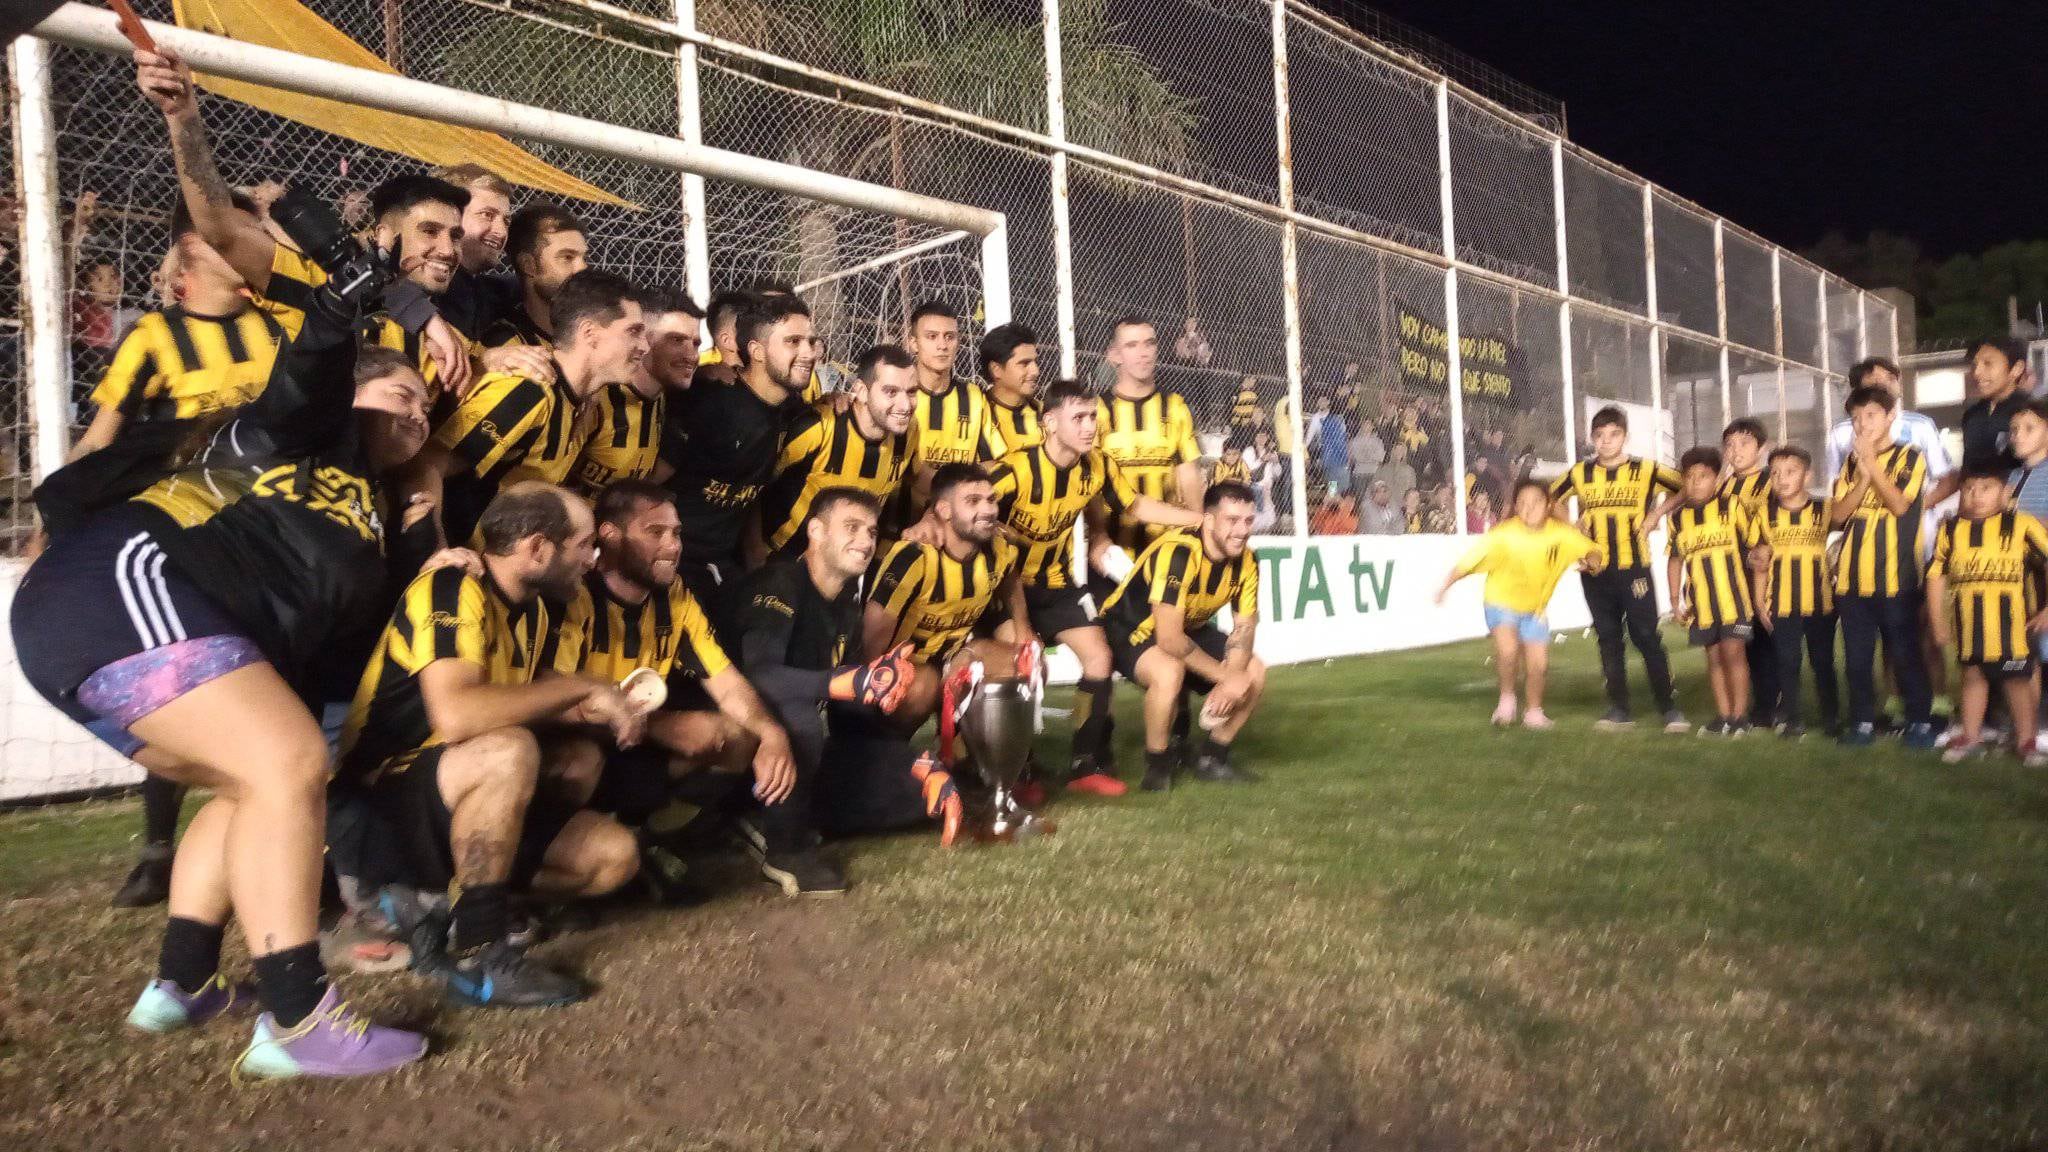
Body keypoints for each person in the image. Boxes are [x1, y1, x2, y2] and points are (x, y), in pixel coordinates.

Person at [12, 203, 437, 1077]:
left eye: (428, 407)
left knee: (255, 784)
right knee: (283, 766)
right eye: (401, 392)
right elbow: (304, 381)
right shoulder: (291, 436)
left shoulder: (378, 512)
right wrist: (333, 313)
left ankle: (183, 983)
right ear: (355, 395)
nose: (418, 413)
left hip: (153, 621)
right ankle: (296, 1022)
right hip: (124, 584)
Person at [344, 484, 644, 1008]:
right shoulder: (452, 588)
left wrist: (598, 706)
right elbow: (457, 715)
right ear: (536, 548)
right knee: (510, 749)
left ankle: (436, 906)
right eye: (582, 545)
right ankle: (479, 951)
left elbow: (525, 695)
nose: (593, 560)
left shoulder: (538, 609)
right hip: (382, 800)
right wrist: (581, 686)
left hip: (458, 791)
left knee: (613, 856)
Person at [137, 45, 473, 400]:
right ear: (383, 234)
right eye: (430, 232)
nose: (448, 250)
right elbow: (222, 229)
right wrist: (182, 115)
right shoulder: (317, 287)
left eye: (455, 235)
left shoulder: (444, 329)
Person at [539, 481, 803, 896]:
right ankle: (550, 865)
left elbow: (727, 682)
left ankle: (654, 834)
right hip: (577, 742)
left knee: (732, 736)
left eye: (676, 533)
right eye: (655, 532)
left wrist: (773, 733)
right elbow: (549, 698)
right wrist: (631, 718)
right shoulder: (576, 592)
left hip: (636, 736)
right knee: (579, 762)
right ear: (609, 535)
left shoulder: (675, 594)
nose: (673, 545)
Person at [979, 379, 1202, 790]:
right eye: (1078, 418)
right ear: (1049, 422)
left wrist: (1197, 520)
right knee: (1025, 664)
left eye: (1092, 418)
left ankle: (1084, 765)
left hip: (1058, 584)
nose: (1089, 427)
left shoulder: (1096, 464)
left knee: (1099, 658)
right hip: (1007, 590)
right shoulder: (1015, 469)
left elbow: (1133, 504)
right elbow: (970, 499)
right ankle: (1018, 768)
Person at [737, 490, 935, 887]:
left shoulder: (846, 604)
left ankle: (785, 813)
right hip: (745, 729)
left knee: (921, 790)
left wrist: (916, 760)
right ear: (815, 530)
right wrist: (846, 682)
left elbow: (849, 712)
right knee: (801, 720)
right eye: (851, 528)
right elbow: (759, 674)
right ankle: (784, 847)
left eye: (871, 531)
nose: (865, 541)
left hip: (802, 747)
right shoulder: (780, 581)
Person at [406, 269, 646, 546]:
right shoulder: (529, 390)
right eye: (634, 332)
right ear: (589, 333)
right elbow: (429, 462)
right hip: (460, 567)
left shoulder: (581, 404)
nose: (644, 345)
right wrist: (436, 552)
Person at [1099, 483, 1266, 791]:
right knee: (1169, 671)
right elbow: (1169, 639)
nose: (1242, 530)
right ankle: (1157, 767)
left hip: (1187, 628)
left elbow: (1245, 626)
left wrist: (1235, 673)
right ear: (1209, 520)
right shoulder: (1178, 552)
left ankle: (1213, 759)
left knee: (1254, 671)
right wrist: (1224, 677)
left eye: (1248, 520)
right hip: (1129, 627)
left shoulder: (1248, 560)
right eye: (1232, 520)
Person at [660, 292, 812, 623]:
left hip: (725, 564)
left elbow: (749, 486)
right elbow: (648, 483)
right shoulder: (711, 402)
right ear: (756, 351)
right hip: (674, 564)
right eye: (794, 342)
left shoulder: (794, 413)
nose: (809, 352)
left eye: (812, 341)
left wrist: (755, 549)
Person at [1549, 406, 1687, 733]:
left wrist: (1657, 515)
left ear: (1624, 436)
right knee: (1608, 637)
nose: (1606, 442)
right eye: (1599, 436)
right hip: (1594, 569)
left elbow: (1685, 487)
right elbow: (1549, 497)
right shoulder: (1580, 472)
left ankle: (1668, 707)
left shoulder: (1647, 469)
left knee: (1645, 635)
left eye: (1613, 435)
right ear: (1592, 438)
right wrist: (1572, 525)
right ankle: (1618, 709)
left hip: (1634, 568)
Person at [864, 464, 1027, 733]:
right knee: (924, 683)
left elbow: (1011, 578)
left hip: (954, 657)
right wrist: (875, 682)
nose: (987, 510)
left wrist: (1024, 629)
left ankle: (976, 759)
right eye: (973, 501)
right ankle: (887, 749)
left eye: (991, 500)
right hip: (905, 669)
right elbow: (874, 631)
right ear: (944, 510)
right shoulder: (915, 555)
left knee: (1027, 663)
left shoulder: (1000, 548)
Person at [1434, 478, 1604, 728]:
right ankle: (1506, 703)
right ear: (1515, 506)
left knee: (1539, 665)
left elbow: (1592, 550)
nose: (1528, 508)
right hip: (1500, 602)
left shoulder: (1562, 535)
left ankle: (1534, 713)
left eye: (1536, 502)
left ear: (1548, 506)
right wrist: (1445, 587)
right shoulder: (1503, 534)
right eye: (1522, 503)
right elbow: (1468, 562)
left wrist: (1593, 562)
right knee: (1508, 651)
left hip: (1535, 610)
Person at [1831, 385, 1937, 748]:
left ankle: (1919, 722)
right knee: (1857, 660)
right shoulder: (1848, 463)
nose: (1863, 424)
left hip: (1897, 578)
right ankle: (1862, 722)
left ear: (1891, 415)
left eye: (1871, 416)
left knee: (1905, 654)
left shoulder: (1911, 456)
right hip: (1850, 581)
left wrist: (1872, 464)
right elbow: (1838, 515)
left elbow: (1899, 505)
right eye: (1856, 418)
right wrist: (1862, 475)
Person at [1925, 463, 2048, 766]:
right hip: (1969, 623)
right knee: (1973, 676)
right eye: (1969, 489)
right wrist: (1938, 622)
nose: (1976, 496)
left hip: (2012, 624)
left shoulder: (2020, 525)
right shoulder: (1951, 530)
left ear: (2004, 492)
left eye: (1986, 488)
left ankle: (2027, 741)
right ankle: (1971, 735)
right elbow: (1936, 577)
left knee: (2016, 681)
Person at [756, 345, 916, 563]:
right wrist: (753, 555)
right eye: (891, 392)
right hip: (780, 561)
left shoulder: (909, 434)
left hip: (841, 572)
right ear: (861, 391)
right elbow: (753, 491)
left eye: (912, 392)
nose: (905, 405)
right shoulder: (818, 427)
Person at [1091, 316, 1203, 574]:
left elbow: (1189, 477)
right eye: (1132, 346)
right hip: (1115, 555)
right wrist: (1098, 536)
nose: (1143, 353)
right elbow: (1093, 487)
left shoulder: (1174, 406)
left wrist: (1196, 530)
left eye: (1149, 344)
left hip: (1167, 553)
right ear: (1114, 355)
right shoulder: (1098, 410)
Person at [1666, 447, 1761, 736]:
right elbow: (1675, 558)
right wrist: (1674, 599)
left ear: (1717, 479)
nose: (1695, 482)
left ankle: (1739, 716)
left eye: (1703, 476)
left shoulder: (1731, 506)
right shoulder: (1678, 518)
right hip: (1702, 605)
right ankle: (1723, 715)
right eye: (1690, 477)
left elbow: (1756, 545)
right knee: (1714, 658)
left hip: (1734, 600)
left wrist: (1760, 587)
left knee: (1734, 654)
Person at [571, 290, 701, 497]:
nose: (692, 356)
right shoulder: (597, 397)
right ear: (643, 340)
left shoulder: (666, 398)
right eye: (676, 340)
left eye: (696, 343)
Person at [1751, 446, 1840, 738]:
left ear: (1807, 474)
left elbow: (1849, 525)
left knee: (1823, 662)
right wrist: (1759, 603)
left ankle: (1831, 718)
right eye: (1775, 473)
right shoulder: (1765, 514)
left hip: (1821, 603)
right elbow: (1760, 562)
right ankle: (1793, 718)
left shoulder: (1823, 509)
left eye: (1790, 472)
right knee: (1787, 662)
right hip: (1782, 604)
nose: (1782, 479)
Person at [1718, 417, 1778, 728]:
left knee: (1771, 638)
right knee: (1748, 641)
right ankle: (1762, 704)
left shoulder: (1771, 480)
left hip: (1767, 570)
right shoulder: (1724, 487)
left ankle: (1774, 705)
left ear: (1761, 448)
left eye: (1743, 444)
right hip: (1734, 574)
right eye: (1729, 445)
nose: (1735, 451)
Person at [904, 301, 996, 492]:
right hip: (902, 518)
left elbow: (989, 463)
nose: (942, 345)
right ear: (913, 343)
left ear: (958, 342)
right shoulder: (900, 395)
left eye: (949, 337)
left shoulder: (974, 397)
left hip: (960, 514)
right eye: (932, 336)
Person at [1823, 357, 1950, 489]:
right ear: (1859, 390)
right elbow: (1835, 484)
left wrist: (1917, 508)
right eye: (1876, 381)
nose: (1886, 385)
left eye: (1891, 378)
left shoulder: (1921, 425)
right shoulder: (1841, 432)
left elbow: (1947, 478)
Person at [479, 203, 588, 349]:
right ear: (528, 265)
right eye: (567, 257)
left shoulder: (598, 330)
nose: (583, 268)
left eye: (584, 258)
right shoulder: (509, 344)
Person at [426, 163, 515, 341]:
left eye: (506, 221)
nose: (501, 231)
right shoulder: (413, 287)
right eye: (487, 215)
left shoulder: (491, 293)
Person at [980, 322, 1043, 455]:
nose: (1035, 371)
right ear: (996, 370)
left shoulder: (1046, 413)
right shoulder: (977, 414)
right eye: (1024, 363)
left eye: (1035, 362)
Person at [1348, 419, 1385, 505]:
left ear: (1372, 427)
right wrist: (1371, 456)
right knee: (1361, 499)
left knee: (1374, 498)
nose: (1367, 426)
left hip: (1374, 472)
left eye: (1369, 424)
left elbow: (1380, 457)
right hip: (1359, 473)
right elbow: (1356, 457)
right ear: (1361, 426)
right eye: (1365, 424)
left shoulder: (1378, 441)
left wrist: (1366, 455)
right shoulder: (1355, 441)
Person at [1375, 441, 1417, 509]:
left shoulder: (1410, 470)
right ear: (1393, 452)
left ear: (1404, 453)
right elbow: (1376, 484)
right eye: (1397, 450)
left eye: (1401, 450)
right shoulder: (1383, 468)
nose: (1399, 452)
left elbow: (1412, 488)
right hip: (1387, 504)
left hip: (1403, 504)